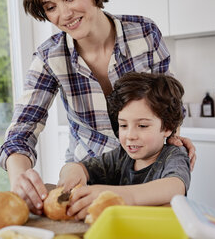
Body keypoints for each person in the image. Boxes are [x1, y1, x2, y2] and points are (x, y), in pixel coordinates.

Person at [0, 0, 196, 215]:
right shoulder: (49, 57)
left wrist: (171, 136)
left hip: (150, 184)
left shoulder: (144, 33)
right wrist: (20, 178)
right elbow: (22, 130)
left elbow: (171, 104)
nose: (64, 14)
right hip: (90, 187)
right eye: (50, 7)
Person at [59, 72, 190, 220]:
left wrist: (125, 196)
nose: (130, 135)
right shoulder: (120, 156)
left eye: (142, 125)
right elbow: (80, 167)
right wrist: (73, 171)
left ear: (167, 127)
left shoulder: (174, 155)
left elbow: (175, 187)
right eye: (123, 125)